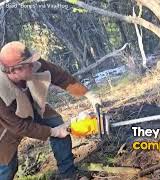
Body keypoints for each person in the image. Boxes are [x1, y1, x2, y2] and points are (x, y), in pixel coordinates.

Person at [0, 41, 101, 179]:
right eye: (28, 65)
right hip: (6, 127)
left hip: (31, 107)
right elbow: (19, 126)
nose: (33, 65)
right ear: (13, 70)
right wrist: (53, 132)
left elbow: (61, 76)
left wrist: (89, 94)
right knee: (7, 166)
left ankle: (68, 173)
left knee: (56, 122)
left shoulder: (33, 64)